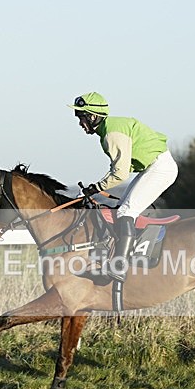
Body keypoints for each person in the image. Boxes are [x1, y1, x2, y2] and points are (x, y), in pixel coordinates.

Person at [68, 92, 179, 282]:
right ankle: (115, 257)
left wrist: (95, 188)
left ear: (93, 116)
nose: (80, 123)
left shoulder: (111, 134)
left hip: (160, 167)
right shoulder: (109, 129)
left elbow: (120, 173)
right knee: (121, 209)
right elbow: (123, 168)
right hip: (153, 166)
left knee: (126, 211)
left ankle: (119, 266)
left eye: (82, 117)